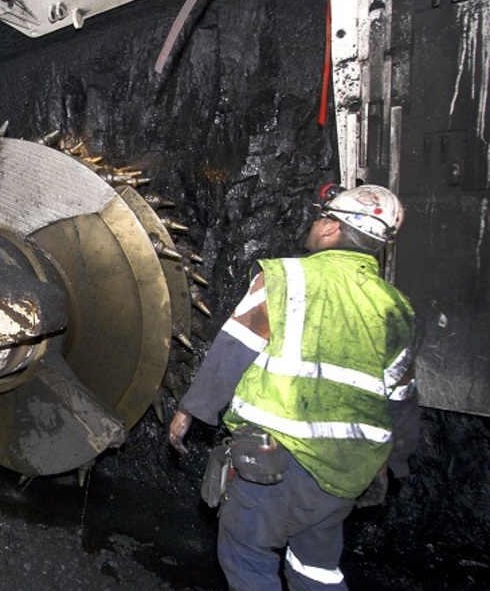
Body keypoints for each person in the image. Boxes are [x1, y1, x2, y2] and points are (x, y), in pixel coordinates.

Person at [167, 184, 418, 591]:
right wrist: (395, 462)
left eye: (322, 216)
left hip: (277, 459)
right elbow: (402, 396)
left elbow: (234, 348)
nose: (314, 223)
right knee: (315, 568)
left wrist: (190, 410)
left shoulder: (285, 278)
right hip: (346, 473)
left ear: (333, 229)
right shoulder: (396, 307)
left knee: (247, 558)